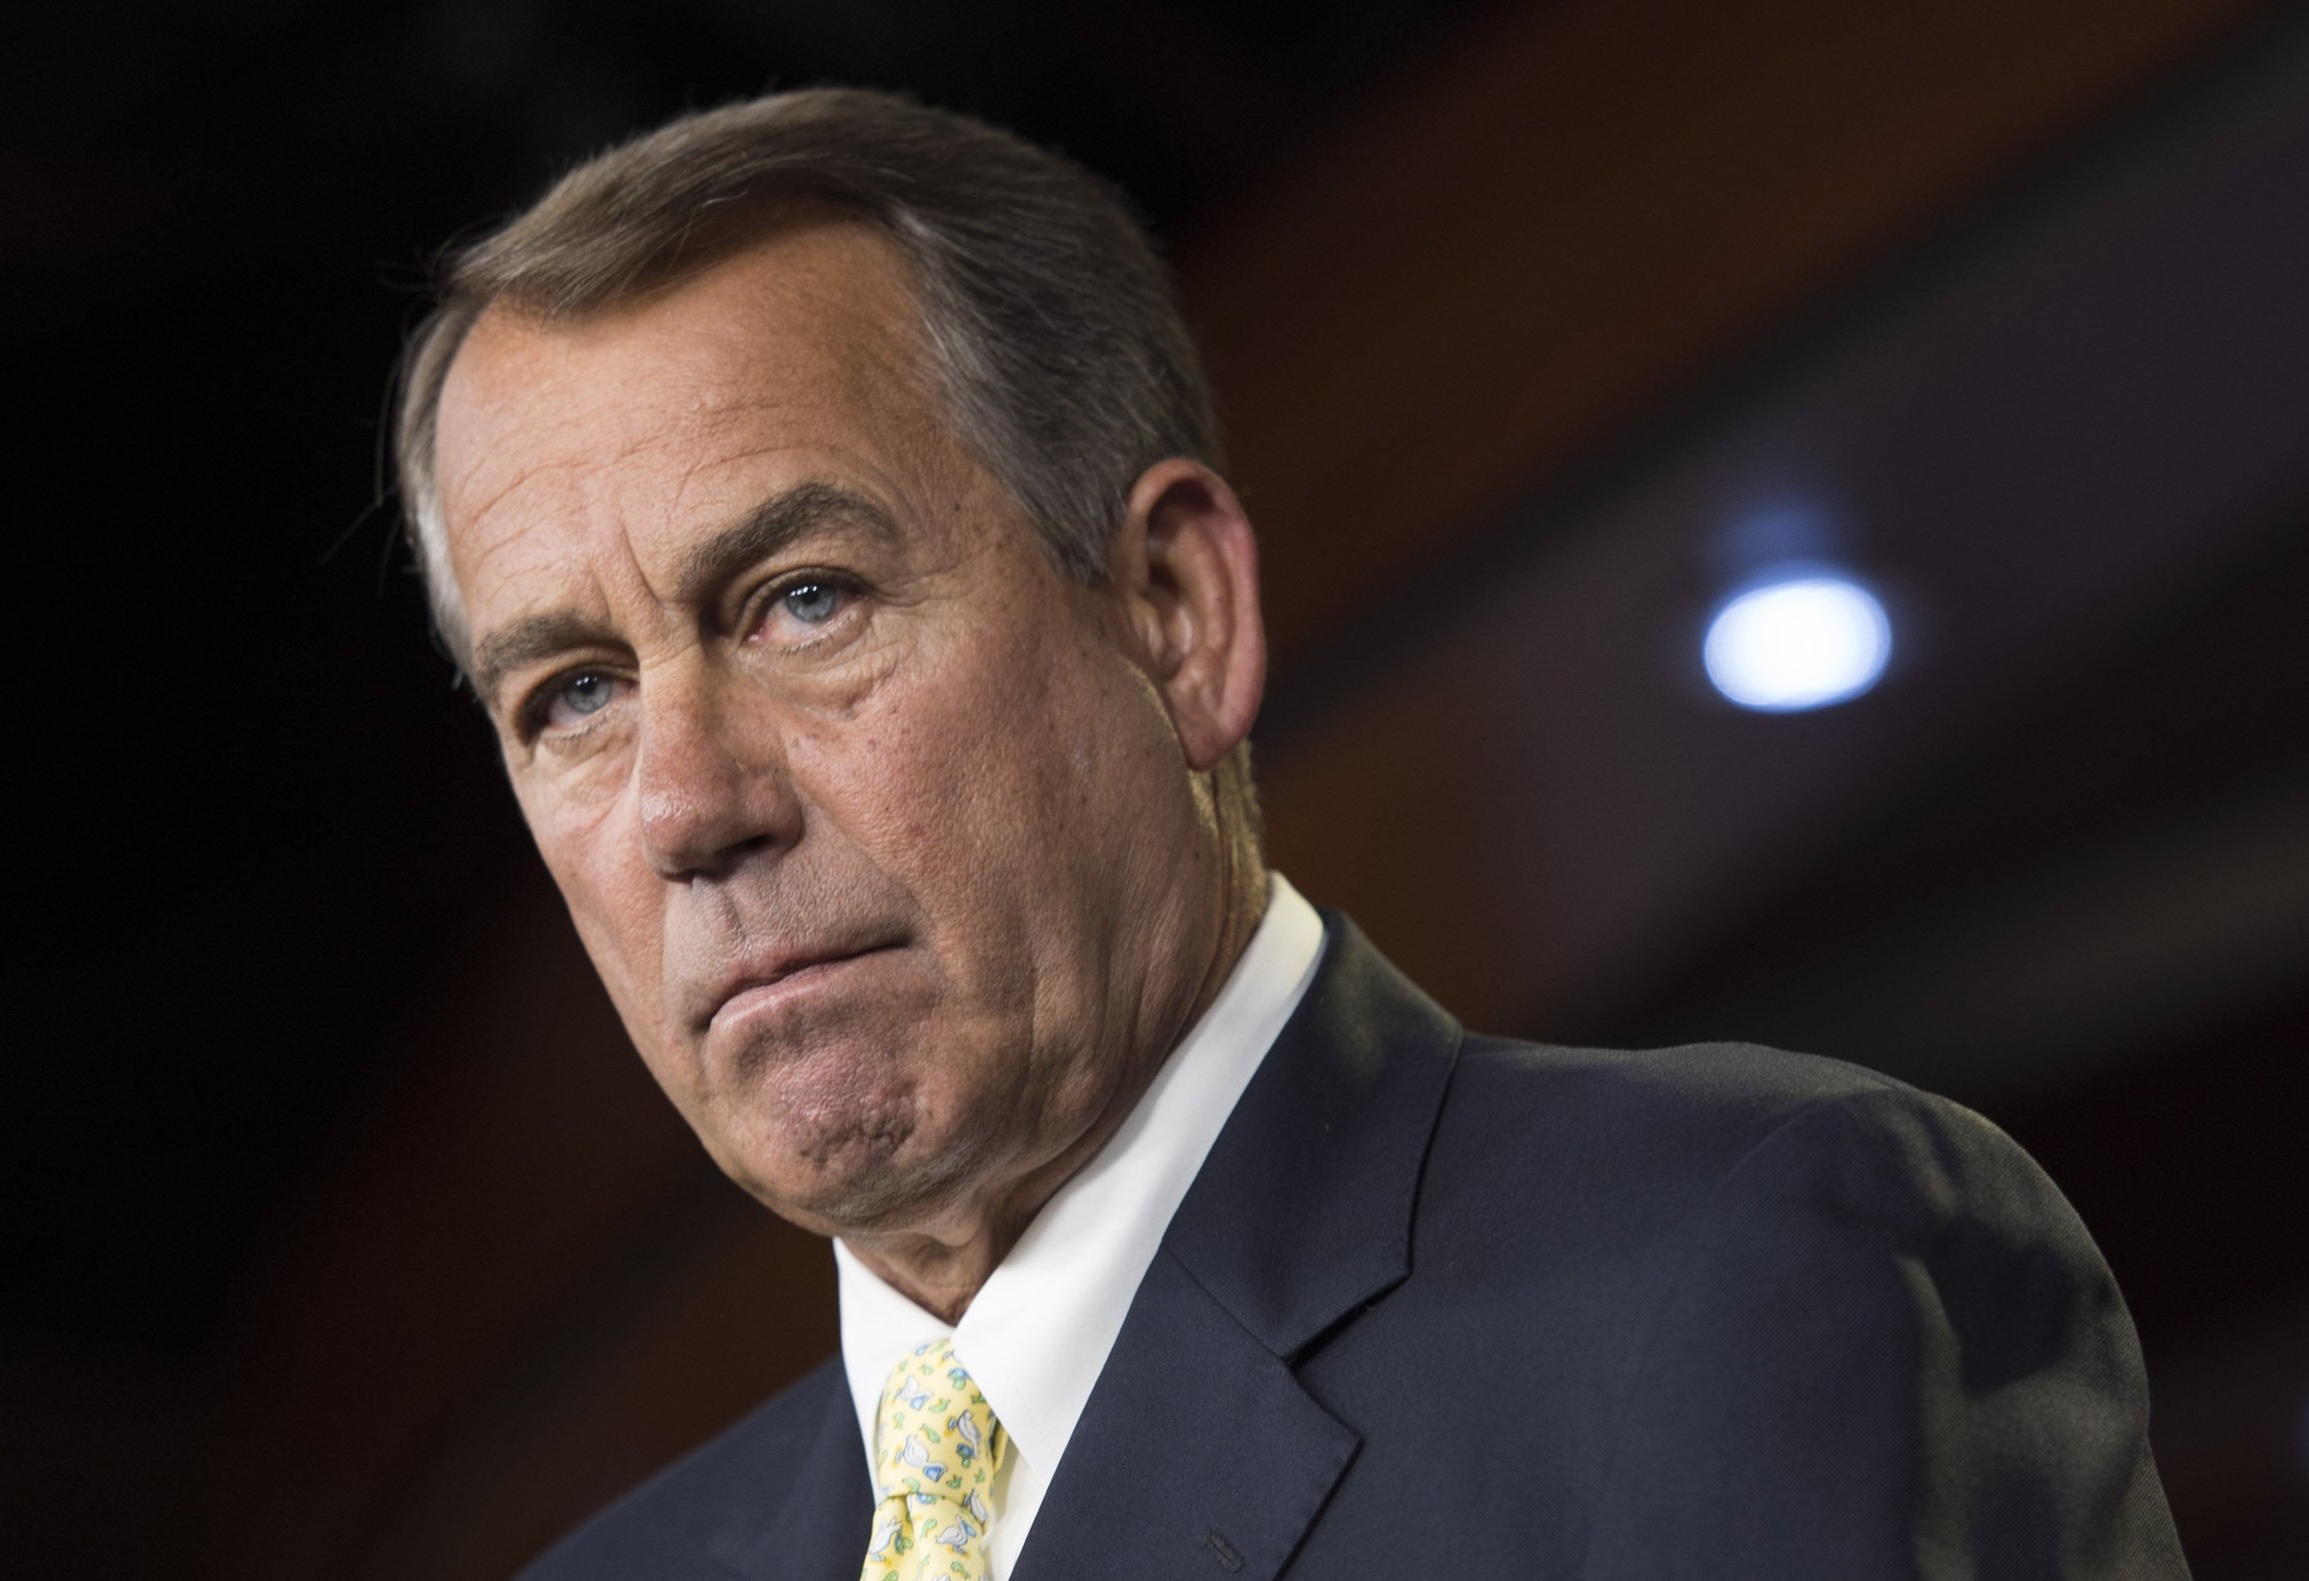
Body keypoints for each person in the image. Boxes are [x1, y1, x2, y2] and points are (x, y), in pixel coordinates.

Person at [395, 87, 2187, 1579]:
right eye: (570, 695)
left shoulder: (1741, 1280)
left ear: (1174, 612)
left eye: (802, 600)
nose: (688, 803)